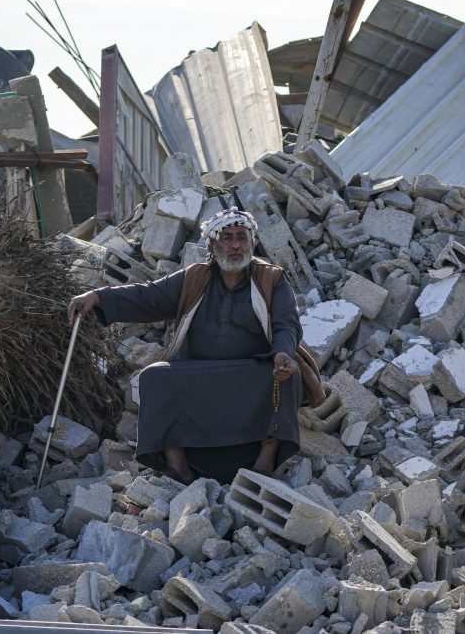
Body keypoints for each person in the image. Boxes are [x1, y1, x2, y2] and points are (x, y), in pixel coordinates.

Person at [67, 207, 323, 484]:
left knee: (288, 374)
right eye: (227, 238)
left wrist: (282, 353)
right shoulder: (194, 278)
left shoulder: (271, 278)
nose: (236, 244)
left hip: (253, 371)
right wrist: (99, 297)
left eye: (242, 237)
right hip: (199, 372)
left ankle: (266, 457)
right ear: (212, 245)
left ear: (252, 242)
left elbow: (288, 324)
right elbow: (149, 296)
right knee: (154, 377)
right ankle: (177, 465)